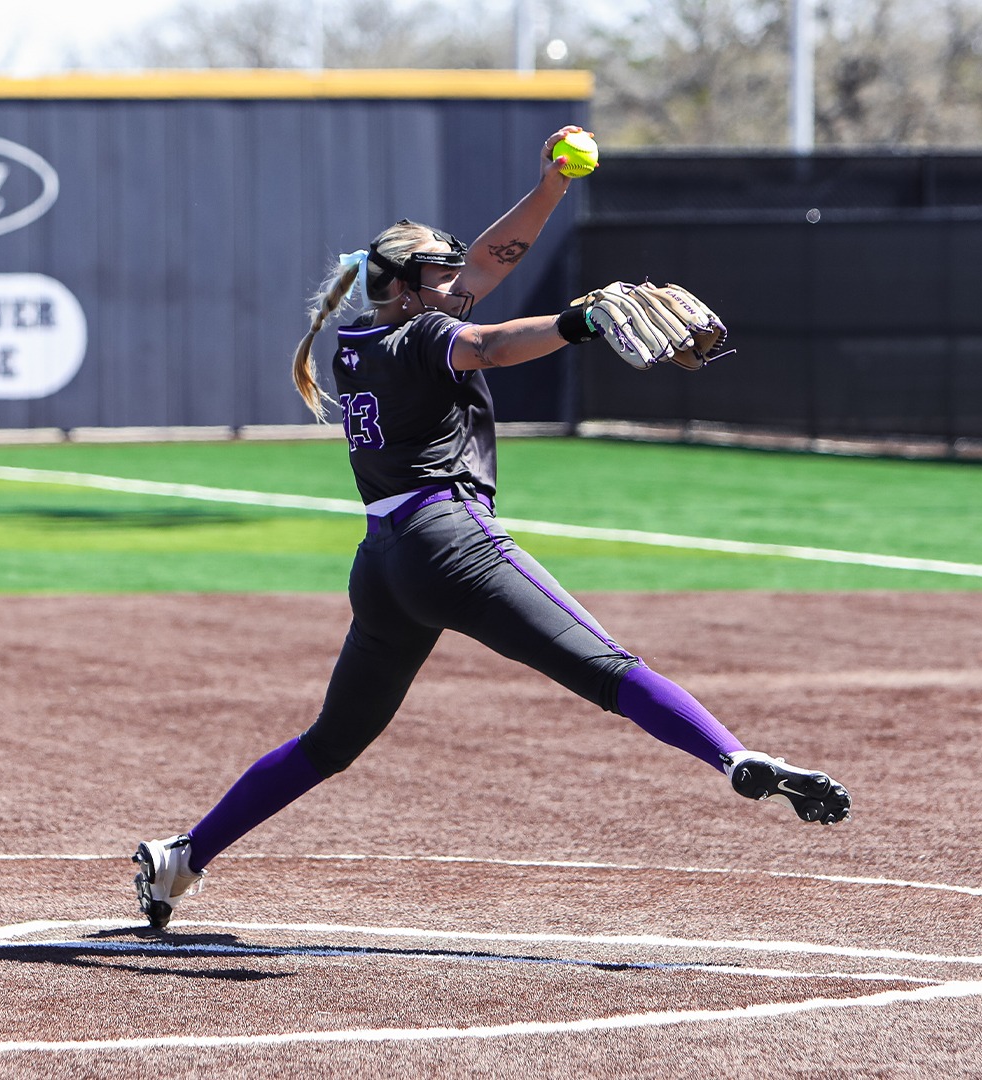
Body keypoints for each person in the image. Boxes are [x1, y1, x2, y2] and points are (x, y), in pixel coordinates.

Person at [133, 125, 849, 929]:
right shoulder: (433, 331)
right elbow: (490, 343)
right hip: (452, 541)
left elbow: (486, 265)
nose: (455, 282)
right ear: (403, 284)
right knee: (606, 666)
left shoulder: (360, 340)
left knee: (331, 743)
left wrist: (550, 188)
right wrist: (577, 324)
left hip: (386, 564)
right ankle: (733, 755)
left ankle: (181, 860)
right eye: (438, 275)